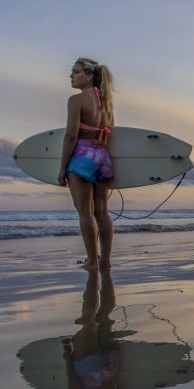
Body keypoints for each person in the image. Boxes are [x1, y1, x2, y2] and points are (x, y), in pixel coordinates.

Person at [58, 57, 115, 270]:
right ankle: (106, 261)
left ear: (89, 76)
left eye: (76, 71)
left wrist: (63, 167)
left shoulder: (76, 100)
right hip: (102, 157)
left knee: (84, 211)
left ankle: (92, 261)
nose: (71, 76)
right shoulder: (107, 102)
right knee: (102, 211)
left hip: (82, 157)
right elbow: (111, 133)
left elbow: (71, 135)